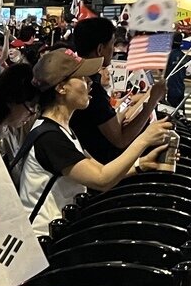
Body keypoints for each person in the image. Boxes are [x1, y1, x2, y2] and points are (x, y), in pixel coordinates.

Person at [17, 50, 174, 231]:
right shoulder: (50, 137)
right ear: (61, 88)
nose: (90, 82)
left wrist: (142, 164)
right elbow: (101, 180)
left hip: (60, 231)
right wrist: (144, 139)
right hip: (44, 242)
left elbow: (99, 168)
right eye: (83, 78)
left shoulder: (61, 129)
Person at [70, 17, 167, 162]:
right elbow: (120, 140)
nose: (114, 49)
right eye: (112, 44)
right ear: (100, 49)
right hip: (103, 167)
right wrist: (152, 101)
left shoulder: (76, 77)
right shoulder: (92, 89)